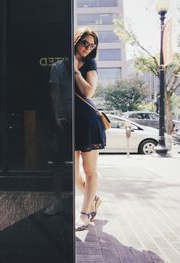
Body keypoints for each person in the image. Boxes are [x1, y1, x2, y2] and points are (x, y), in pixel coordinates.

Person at [74, 27, 105, 231]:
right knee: (73, 174)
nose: (88, 47)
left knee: (89, 170)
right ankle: (94, 200)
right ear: (77, 40)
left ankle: (85, 214)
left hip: (88, 120)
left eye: (92, 45)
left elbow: (88, 91)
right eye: (85, 42)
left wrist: (76, 71)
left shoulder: (90, 64)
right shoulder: (64, 60)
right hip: (70, 121)